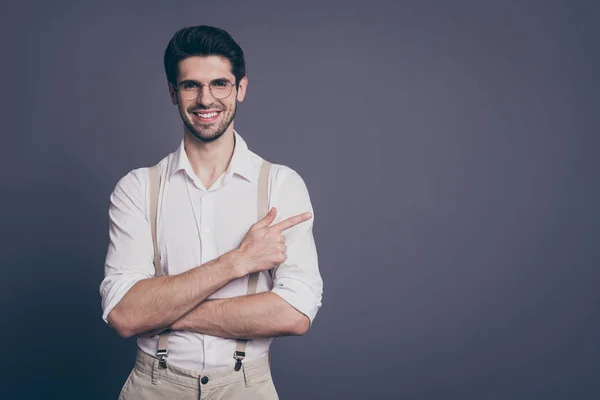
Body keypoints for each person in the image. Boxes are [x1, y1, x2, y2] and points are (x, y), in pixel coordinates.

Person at [100, 25, 323, 399]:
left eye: (220, 84)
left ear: (241, 89)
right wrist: (238, 261)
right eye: (191, 86)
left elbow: (295, 313)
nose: (206, 99)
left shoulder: (280, 185)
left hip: (246, 387)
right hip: (154, 386)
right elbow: (124, 315)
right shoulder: (137, 188)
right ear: (173, 92)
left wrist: (166, 313)